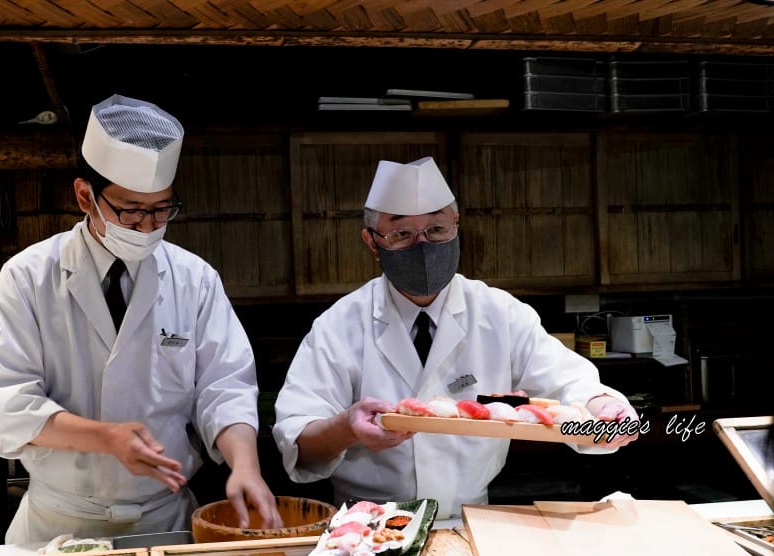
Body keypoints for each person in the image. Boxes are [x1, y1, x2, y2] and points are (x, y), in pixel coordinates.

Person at [0, 94, 282, 543]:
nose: (147, 227)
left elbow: (224, 386)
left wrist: (245, 465)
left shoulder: (194, 279)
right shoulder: (28, 277)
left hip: (165, 521)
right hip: (58, 523)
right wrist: (105, 438)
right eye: (130, 210)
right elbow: (7, 403)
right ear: (84, 196)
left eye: (161, 209)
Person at [272, 156, 639, 519]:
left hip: (473, 521)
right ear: (372, 242)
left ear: (457, 227)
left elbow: (570, 385)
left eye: (436, 230)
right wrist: (345, 427)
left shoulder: (500, 314)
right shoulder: (338, 326)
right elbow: (299, 444)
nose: (423, 246)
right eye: (402, 234)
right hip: (366, 525)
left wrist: (600, 409)